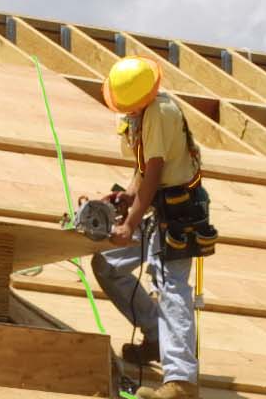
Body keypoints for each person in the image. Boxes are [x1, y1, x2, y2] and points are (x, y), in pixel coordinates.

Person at [90, 56, 217, 399]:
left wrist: (129, 223)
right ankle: (156, 335)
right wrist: (124, 198)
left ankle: (182, 381)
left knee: (172, 287)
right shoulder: (144, 114)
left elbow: (156, 172)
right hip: (157, 211)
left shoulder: (159, 113)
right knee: (107, 264)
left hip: (178, 214)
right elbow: (143, 173)